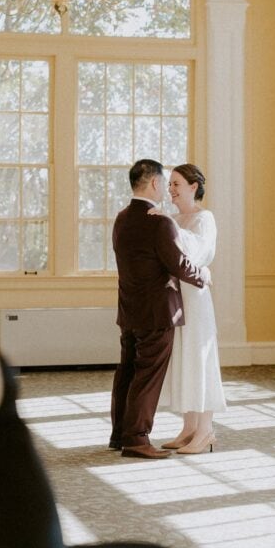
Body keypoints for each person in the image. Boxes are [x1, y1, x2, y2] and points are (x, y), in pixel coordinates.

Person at [109, 159, 210, 461]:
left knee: (127, 371)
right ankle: (137, 438)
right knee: (146, 376)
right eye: (165, 183)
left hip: (129, 310)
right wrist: (202, 276)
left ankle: (119, 434)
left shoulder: (122, 218)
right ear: (153, 183)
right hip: (157, 312)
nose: (167, 189)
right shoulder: (160, 222)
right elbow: (177, 264)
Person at [155, 164, 226, 455]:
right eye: (169, 184)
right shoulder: (172, 218)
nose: (170, 189)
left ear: (193, 187)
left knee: (200, 358)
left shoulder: (204, 218)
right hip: (175, 297)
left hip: (195, 299)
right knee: (182, 357)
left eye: (176, 184)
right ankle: (189, 427)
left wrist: (167, 226)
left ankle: (206, 430)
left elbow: (197, 251)